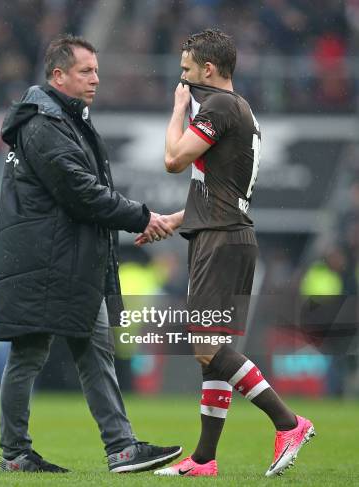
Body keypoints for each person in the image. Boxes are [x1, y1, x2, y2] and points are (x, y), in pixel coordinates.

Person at [0, 34, 181, 473]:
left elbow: (84, 192)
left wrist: (135, 217)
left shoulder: (63, 120)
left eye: (96, 70)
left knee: (93, 352)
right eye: (85, 71)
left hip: (67, 259)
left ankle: (120, 448)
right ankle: (16, 453)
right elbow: (81, 192)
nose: (96, 78)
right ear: (58, 75)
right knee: (30, 354)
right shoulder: (44, 125)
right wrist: (142, 216)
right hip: (46, 261)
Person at [135, 29, 315, 477]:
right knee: (213, 351)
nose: (182, 79)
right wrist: (178, 219)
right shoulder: (243, 112)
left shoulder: (215, 106)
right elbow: (219, 188)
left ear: (208, 69)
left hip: (221, 241)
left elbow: (174, 160)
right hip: (227, 234)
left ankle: (288, 422)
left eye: (186, 69)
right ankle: (204, 459)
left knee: (203, 347)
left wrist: (177, 111)